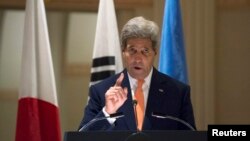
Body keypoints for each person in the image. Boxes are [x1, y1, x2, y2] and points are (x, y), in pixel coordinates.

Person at [78, 16, 196, 131]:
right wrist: (107, 112)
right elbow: (82, 138)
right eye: (132, 50)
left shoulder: (177, 92)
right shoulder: (101, 91)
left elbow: (190, 137)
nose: (138, 59)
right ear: (123, 51)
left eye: (145, 51)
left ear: (155, 52)